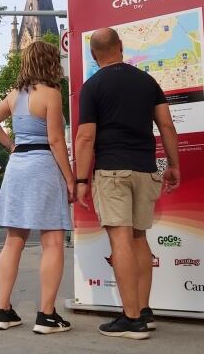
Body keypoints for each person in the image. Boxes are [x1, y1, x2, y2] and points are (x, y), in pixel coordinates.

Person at [74, 28, 180, 340]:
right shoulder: (148, 82)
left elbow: (85, 137)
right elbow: (167, 125)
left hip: (112, 172)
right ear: (121, 47)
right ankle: (144, 311)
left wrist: (81, 179)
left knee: (120, 240)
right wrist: (173, 165)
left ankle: (131, 319)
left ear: (94, 55)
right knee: (138, 239)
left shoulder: (92, 87)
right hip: (146, 170)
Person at [0, 40, 75, 335]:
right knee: (52, 242)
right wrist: (71, 178)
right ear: (50, 63)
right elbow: (56, 141)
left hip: (17, 168)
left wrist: (12, 146)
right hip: (43, 167)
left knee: (14, 241)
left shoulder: (14, 95)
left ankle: (3, 310)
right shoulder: (51, 93)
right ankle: (47, 315)